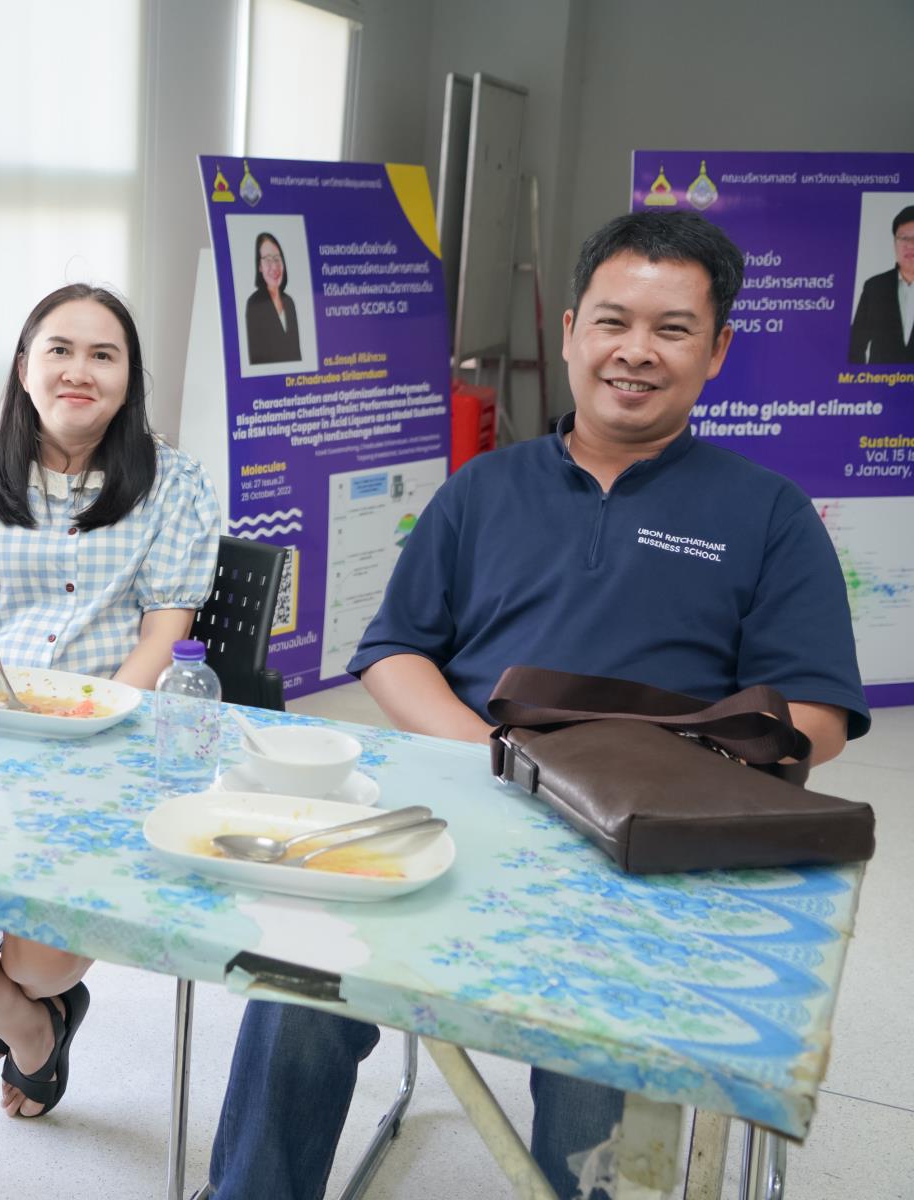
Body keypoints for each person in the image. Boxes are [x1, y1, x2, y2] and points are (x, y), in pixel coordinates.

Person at [206, 210, 869, 1199]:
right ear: (569, 332)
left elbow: (815, 717)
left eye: (673, 329)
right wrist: (498, 757)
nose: (635, 351)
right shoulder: (481, 490)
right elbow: (392, 653)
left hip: (642, 855)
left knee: (595, 1074)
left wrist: (659, 784)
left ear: (718, 350)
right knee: (296, 974)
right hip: (458, 813)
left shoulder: (769, 515)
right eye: (613, 321)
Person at [0, 283, 220, 1118]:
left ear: (128, 378)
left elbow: (163, 637)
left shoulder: (175, 485)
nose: (80, 371)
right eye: (60, 350)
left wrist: (87, 723)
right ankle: (33, 1028)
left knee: (37, 961)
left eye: (103, 355)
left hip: (107, 748)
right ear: (24, 369)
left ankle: (11, 996)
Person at [847, 204, 914, 364]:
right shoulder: (874, 287)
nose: (910, 245)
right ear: (895, 242)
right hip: (881, 379)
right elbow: (855, 346)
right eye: (904, 238)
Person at [245, 232, 302, 365]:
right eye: (268, 260)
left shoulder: (289, 302)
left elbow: (297, 355)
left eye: (277, 259)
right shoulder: (254, 304)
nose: (274, 266)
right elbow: (256, 360)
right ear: (260, 266)